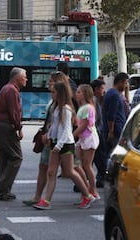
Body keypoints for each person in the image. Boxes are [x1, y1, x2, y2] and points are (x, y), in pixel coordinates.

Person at [34, 81, 95, 210]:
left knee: (70, 171)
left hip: (65, 143)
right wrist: (50, 136)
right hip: (56, 142)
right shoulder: (56, 108)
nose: (52, 95)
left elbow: (66, 129)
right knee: (51, 172)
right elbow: (54, 126)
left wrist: (58, 145)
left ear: (60, 94)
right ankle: (46, 201)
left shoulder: (66, 109)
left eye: (54, 92)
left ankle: (87, 195)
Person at [24, 71, 66, 207]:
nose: (48, 83)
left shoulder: (62, 104)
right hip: (51, 139)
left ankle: (88, 193)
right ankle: (39, 197)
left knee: (71, 170)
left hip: (55, 140)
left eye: (51, 81)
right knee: (45, 168)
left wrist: (48, 134)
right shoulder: (54, 101)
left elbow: (60, 123)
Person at [0, 67, 27, 201]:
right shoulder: (12, 90)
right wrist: (19, 128)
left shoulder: (6, 88)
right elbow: (14, 112)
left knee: (4, 157)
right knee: (16, 157)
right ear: (18, 78)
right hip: (6, 126)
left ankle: (4, 191)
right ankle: (2, 187)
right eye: (25, 77)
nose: (26, 80)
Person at [73, 84, 100, 199]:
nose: (76, 94)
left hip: (88, 138)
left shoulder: (88, 107)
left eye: (79, 92)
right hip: (83, 138)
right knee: (79, 164)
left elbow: (84, 125)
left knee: (87, 165)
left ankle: (93, 190)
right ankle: (87, 189)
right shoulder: (83, 108)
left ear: (85, 94)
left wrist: (72, 135)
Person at [102, 72, 129, 167]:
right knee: (113, 155)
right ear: (120, 82)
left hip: (115, 128)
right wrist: (111, 130)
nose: (126, 86)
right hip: (115, 130)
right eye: (125, 83)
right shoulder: (114, 95)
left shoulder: (111, 93)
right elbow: (111, 114)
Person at [90, 79, 106, 188]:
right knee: (98, 158)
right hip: (97, 132)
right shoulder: (94, 100)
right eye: (102, 89)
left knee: (97, 158)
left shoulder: (95, 100)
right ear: (96, 89)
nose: (104, 91)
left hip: (96, 132)